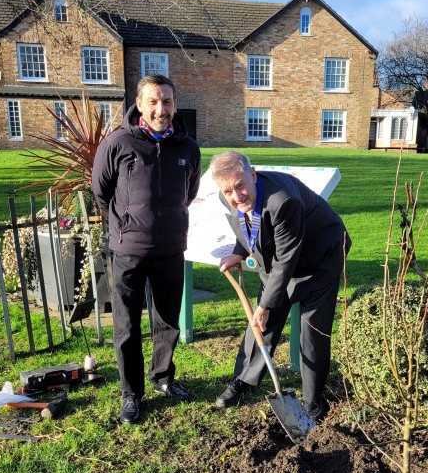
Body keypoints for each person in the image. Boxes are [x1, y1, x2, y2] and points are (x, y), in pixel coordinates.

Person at [92, 74, 201, 424]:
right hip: (128, 252)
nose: (160, 109)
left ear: (175, 105)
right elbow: (101, 191)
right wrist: (126, 225)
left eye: (166, 101)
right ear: (139, 104)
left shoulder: (188, 148)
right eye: (153, 101)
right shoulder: (118, 144)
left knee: (168, 321)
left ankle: (163, 377)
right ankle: (131, 394)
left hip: (171, 250)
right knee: (126, 326)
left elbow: (190, 193)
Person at [211, 151, 350, 420]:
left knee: (313, 330)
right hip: (282, 258)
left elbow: (287, 259)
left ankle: (312, 401)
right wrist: (239, 252)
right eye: (228, 190)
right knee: (262, 324)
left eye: (240, 185)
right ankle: (244, 379)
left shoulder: (282, 201)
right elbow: (247, 224)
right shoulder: (228, 196)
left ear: (252, 175)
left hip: (321, 256)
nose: (236, 195)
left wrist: (264, 304)